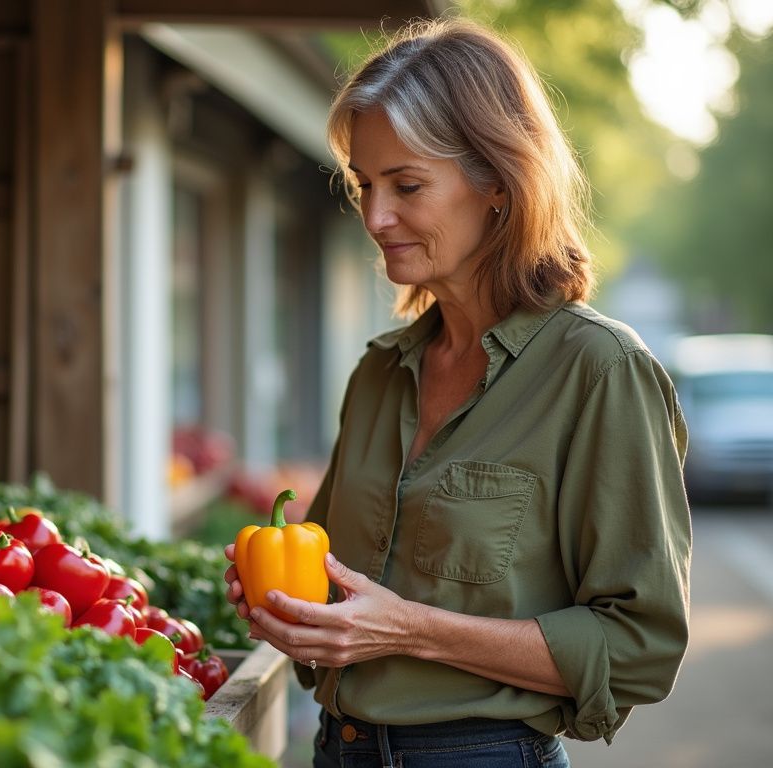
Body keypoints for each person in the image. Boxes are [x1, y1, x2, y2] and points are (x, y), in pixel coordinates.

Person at [223, 18, 691, 768]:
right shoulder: (379, 371)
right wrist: (286, 607)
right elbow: (339, 597)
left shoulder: (598, 371)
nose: (375, 218)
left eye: (407, 185)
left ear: (499, 182)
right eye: (364, 184)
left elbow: (640, 648)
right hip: (338, 751)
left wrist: (410, 629)